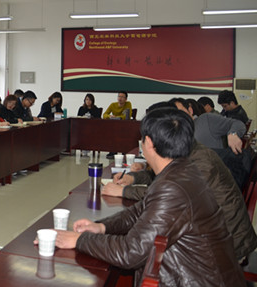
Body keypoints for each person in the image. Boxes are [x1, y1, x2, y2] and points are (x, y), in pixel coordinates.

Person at [53, 107, 244, 286]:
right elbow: (141, 209)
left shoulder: (173, 187)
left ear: (149, 143)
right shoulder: (183, 170)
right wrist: (102, 226)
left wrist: (80, 240)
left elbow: (131, 252)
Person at [104, 102, 257, 261]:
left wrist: (124, 191)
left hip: (227, 245)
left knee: (146, 250)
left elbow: (168, 195)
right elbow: (164, 177)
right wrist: (133, 178)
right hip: (212, 232)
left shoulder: (201, 162)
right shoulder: (187, 149)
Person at [170, 97, 248, 188]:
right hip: (192, 181)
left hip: (216, 182)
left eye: (181, 112)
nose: (179, 117)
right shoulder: (175, 135)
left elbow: (238, 124)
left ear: (190, 110)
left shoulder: (206, 120)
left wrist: (233, 134)